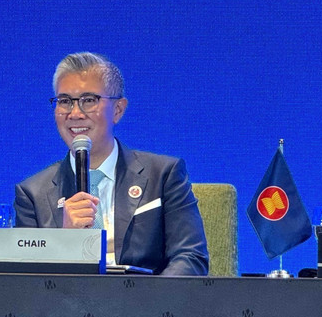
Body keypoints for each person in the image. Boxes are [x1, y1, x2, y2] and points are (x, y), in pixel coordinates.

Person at [15, 52, 209, 276]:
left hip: (145, 303)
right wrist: (64, 240)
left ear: (118, 110)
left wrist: (152, 305)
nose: (75, 113)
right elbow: (26, 281)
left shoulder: (163, 175)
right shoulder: (32, 194)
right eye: (65, 101)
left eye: (89, 100)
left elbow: (191, 257)